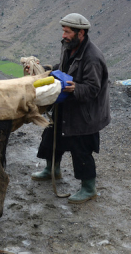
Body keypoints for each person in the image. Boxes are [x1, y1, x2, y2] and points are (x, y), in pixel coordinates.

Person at [31, 13, 110, 204]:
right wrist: (45, 69)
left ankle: (89, 188)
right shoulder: (70, 47)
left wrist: (76, 88)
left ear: (80, 32)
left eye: (67, 32)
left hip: (85, 114)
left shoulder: (92, 57)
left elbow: (93, 88)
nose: (64, 35)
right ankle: (53, 170)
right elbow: (63, 68)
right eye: (63, 31)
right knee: (51, 136)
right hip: (67, 105)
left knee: (81, 149)